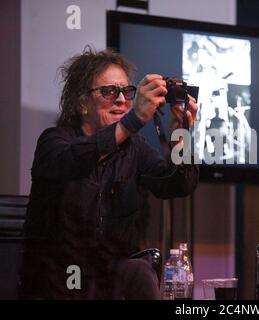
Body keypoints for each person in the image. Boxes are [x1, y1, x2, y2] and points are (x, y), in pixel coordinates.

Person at [20, 46, 199, 299]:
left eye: (127, 91)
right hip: (58, 279)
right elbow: (77, 158)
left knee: (138, 271)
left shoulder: (134, 148)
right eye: (108, 92)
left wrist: (181, 134)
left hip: (109, 279)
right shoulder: (54, 143)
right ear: (82, 104)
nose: (121, 100)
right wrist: (135, 118)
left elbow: (175, 185)